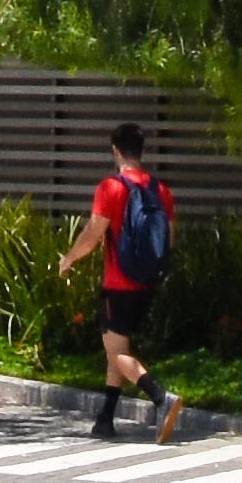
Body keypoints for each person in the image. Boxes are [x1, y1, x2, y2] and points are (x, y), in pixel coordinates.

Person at [64, 122, 174, 436]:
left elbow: (93, 233)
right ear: (142, 151)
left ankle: (160, 397)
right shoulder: (160, 190)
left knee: (116, 352)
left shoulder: (111, 188)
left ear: (115, 151)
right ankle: (105, 419)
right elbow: (170, 239)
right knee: (120, 346)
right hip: (148, 283)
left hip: (118, 284)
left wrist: (69, 259)